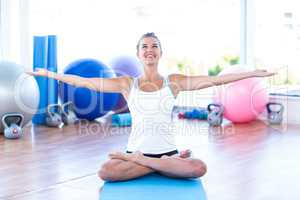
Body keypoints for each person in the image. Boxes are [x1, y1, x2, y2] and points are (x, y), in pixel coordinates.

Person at [28, 32, 275, 182]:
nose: (149, 50)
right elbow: (86, 82)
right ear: (138, 53)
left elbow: (216, 80)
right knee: (105, 171)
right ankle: (154, 163)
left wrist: (253, 73)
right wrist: (51, 75)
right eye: (144, 46)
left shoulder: (174, 82)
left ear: (160, 53)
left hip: (166, 152)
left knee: (200, 167)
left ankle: (145, 162)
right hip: (151, 156)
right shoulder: (126, 84)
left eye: (154, 46)